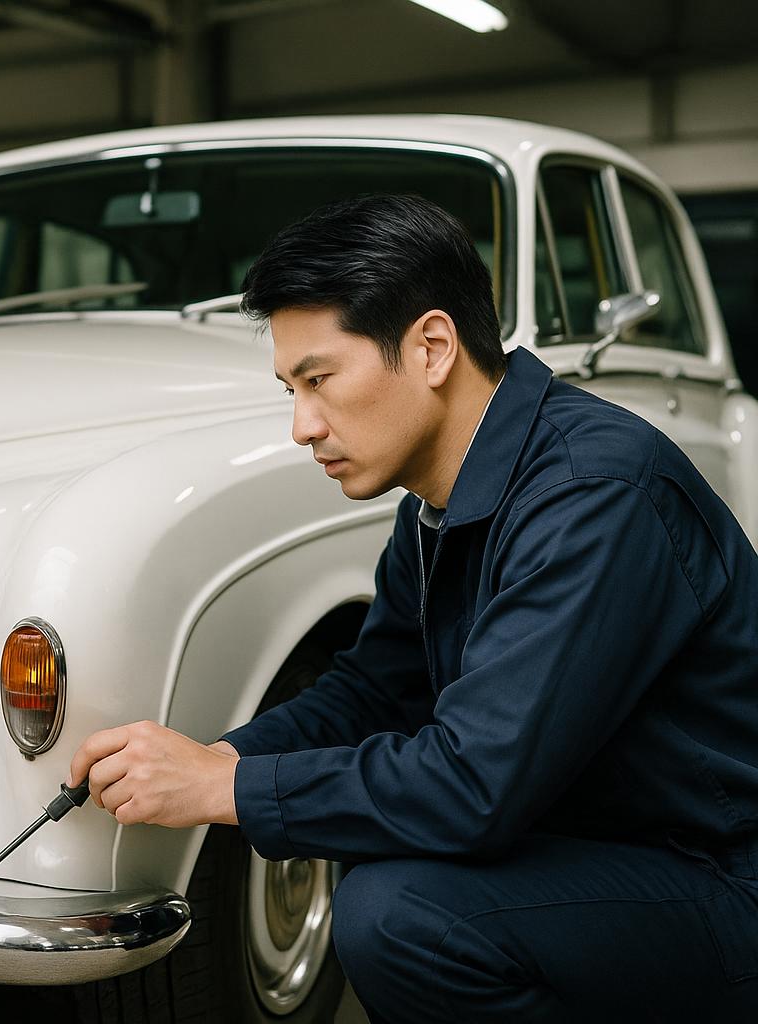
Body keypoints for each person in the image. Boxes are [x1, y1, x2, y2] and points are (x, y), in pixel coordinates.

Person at [66, 192, 758, 1022]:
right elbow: (374, 691)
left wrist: (231, 788)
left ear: (432, 346)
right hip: (610, 843)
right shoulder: (440, 499)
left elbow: (475, 784)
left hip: (720, 876)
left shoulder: (592, 494)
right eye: (291, 387)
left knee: (404, 915)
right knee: (389, 878)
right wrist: (211, 754)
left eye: (319, 380)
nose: (301, 425)